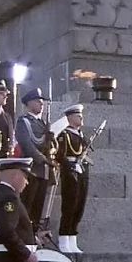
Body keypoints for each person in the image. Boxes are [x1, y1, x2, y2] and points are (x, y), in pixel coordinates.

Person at [15, 87, 55, 230]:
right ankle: (24, 235)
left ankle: (34, 234)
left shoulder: (43, 124)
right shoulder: (23, 122)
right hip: (30, 169)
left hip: (43, 171)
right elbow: (26, 144)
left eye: (41, 101)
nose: (41, 103)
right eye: (38, 101)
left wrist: (52, 142)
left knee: (38, 206)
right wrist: (42, 158)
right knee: (27, 204)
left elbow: (48, 145)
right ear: (29, 103)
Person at [55, 104, 91, 254]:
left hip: (81, 171)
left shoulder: (81, 135)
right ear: (69, 118)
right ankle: (64, 239)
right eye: (78, 115)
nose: (81, 118)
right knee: (70, 206)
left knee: (79, 206)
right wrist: (71, 165)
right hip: (70, 172)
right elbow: (60, 156)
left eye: (81, 115)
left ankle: (72, 239)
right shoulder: (65, 135)